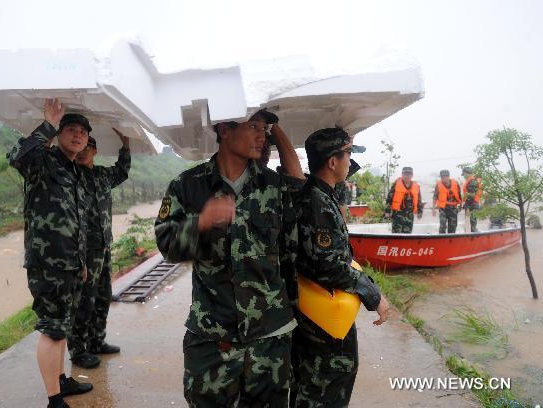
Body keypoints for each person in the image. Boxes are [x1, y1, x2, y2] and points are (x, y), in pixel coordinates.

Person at [154, 109, 302, 407]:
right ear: (224, 130)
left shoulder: (273, 187)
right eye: (254, 126)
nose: (262, 135)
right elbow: (167, 244)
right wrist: (202, 222)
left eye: (265, 128)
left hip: (269, 336)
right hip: (212, 335)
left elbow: (298, 189)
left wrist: (278, 130)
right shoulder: (188, 185)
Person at [292, 128, 389, 407]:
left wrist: (346, 144)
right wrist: (374, 295)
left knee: (315, 385)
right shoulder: (317, 203)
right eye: (347, 155)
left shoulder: (321, 193)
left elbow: (341, 170)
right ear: (332, 162)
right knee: (326, 387)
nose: (350, 161)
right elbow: (328, 265)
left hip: (320, 312)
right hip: (322, 320)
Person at [7, 99, 93, 408]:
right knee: (53, 328)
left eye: (83, 131)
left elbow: (75, 221)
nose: (78, 135)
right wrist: (47, 124)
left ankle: (61, 381)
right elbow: (17, 157)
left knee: (62, 326)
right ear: (58, 133)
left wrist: (81, 262)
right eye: (71, 129)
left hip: (69, 264)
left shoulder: (72, 170)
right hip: (48, 263)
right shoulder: (43, 161)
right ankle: (54, 400)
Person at [68, 130, 131, 368]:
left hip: (104, 245)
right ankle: (78, 349)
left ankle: (96, 341)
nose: (82, 152)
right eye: (79, 149)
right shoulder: (71, 175)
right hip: (85, 249)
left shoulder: (104, 175)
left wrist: (125, 143)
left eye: (87, 148)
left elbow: (122, 170)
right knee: (84, 299)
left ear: (94, 151)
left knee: (103, 296)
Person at [385, 167, 423, 233]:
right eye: (405, 174)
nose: (407, 176)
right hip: (397, 215)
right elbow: (389, 198)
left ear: (412, 175)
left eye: (409, 174)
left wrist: (420, 211)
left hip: (409, 215)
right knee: (396, 235)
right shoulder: (396, 184)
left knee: (408, 235)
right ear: (402, 174)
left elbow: (419, 200)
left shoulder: (416, 186)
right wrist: (387, 211)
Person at [462, 167, 483, 232]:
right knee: (472, 221)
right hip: (474, 203)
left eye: (464, 174)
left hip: (471, 204)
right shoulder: (473, 180)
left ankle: (472, 235)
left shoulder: (472, 181)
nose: (464, 176)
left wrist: (465, 202)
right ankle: (471, 232)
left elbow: (472, 194)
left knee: (472, 222)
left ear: (466, 173)